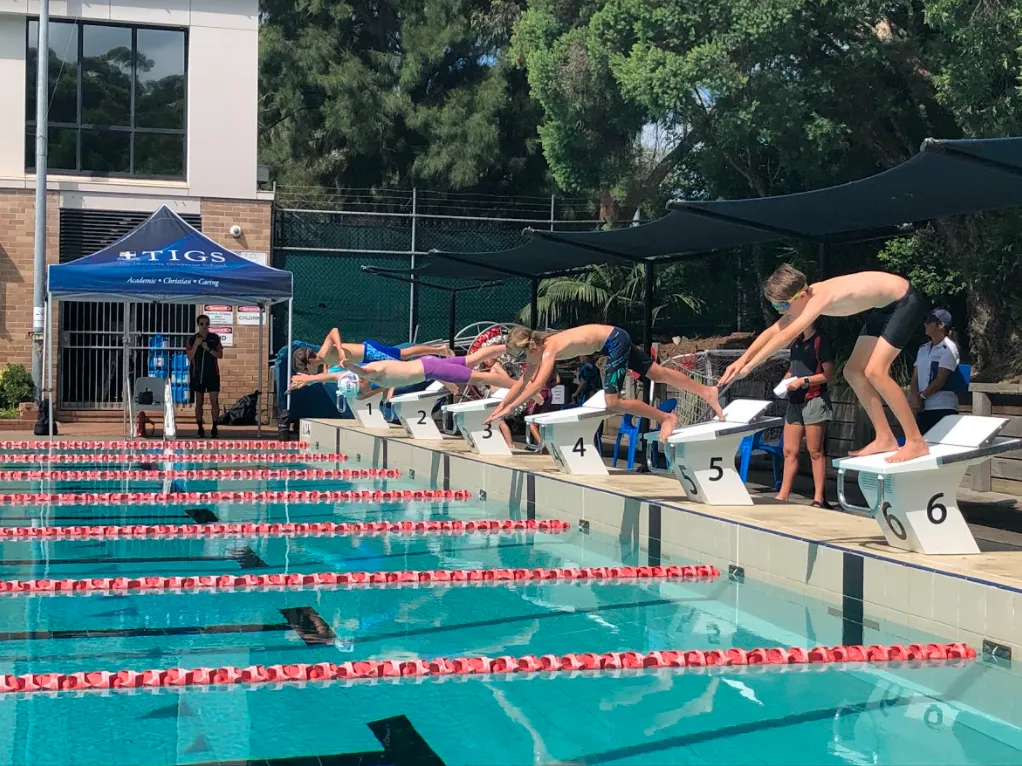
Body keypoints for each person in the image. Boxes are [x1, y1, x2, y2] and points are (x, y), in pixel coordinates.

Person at [720, 265, 928, 463]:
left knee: (876, 371)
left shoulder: (820, 297)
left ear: (800, 296)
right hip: (883, 309)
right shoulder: (802, 300)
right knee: (853, 371)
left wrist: (750, 367)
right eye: (775, 306)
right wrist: (742, 360)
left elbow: (786, 336)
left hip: (904, 302)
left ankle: (916, 441)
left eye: (782, 305)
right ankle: (885, 437)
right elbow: (774, 331)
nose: (780, 311)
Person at [485, 325, 723, 442]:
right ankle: (706, 390)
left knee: (612, 401)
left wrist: (507, 410)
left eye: (523, 357)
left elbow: (535, 386)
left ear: (532, 347)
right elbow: (521, 383)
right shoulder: (542, 350)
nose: (524, 363)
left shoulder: (549, 350)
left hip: (613, 342)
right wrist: (499, 409)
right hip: (615, 337)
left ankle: (666, 418)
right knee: (657, 373)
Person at [776, 321, 835, 508]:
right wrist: (784, 382)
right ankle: (783, 494)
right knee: (789, 450)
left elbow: (829, 374)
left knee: (815, 450)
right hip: (794, 401)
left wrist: (805, 381)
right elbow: (792, 369)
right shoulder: (796, 343)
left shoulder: (820, 341)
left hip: (814, 399)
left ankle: (818, 497)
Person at [288, 345, 513, 391]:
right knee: (472, 359)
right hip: (430, 363)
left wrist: (350, 365)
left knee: (485, 378)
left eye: (360, 388)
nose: (363, 390)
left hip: (432, 369)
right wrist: (309, 380)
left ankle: (525, 387)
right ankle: (509, 346)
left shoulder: (373, 370)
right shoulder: (376, 379)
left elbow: (359, 373)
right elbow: (332, 378)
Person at [910, 308, 961, 435]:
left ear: (941, 325)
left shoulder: (949, 348)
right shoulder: (923, 349)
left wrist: (921, 397)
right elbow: (915, 377)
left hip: (942, 407)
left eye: (929, 321)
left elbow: (941, 380)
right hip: (922, 408)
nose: (925, 324)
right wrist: (914, 399)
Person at [311, 328, 450, 367]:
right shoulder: (324, 360)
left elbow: (333, 331)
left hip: (371, 353)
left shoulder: (322, 354)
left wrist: (341, 350)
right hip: (368, 355)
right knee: (404, 354)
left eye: (306, 368)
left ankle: (439, 359)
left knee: (404, 360)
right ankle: (439, 350)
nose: (308, 371)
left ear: (310, 362)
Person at [185, 315, 223, 438]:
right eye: (202, 324)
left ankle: (215, 427)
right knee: (199, 401)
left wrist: (209, 349)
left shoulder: (214, 338)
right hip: (198, 374)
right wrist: (196, 345)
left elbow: (220, 355)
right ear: (198, 325)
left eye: (207, 323)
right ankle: (200, 427)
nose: (205, 326)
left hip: (212, 373)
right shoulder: (192, 339)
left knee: (214, 401)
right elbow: (189, 357)